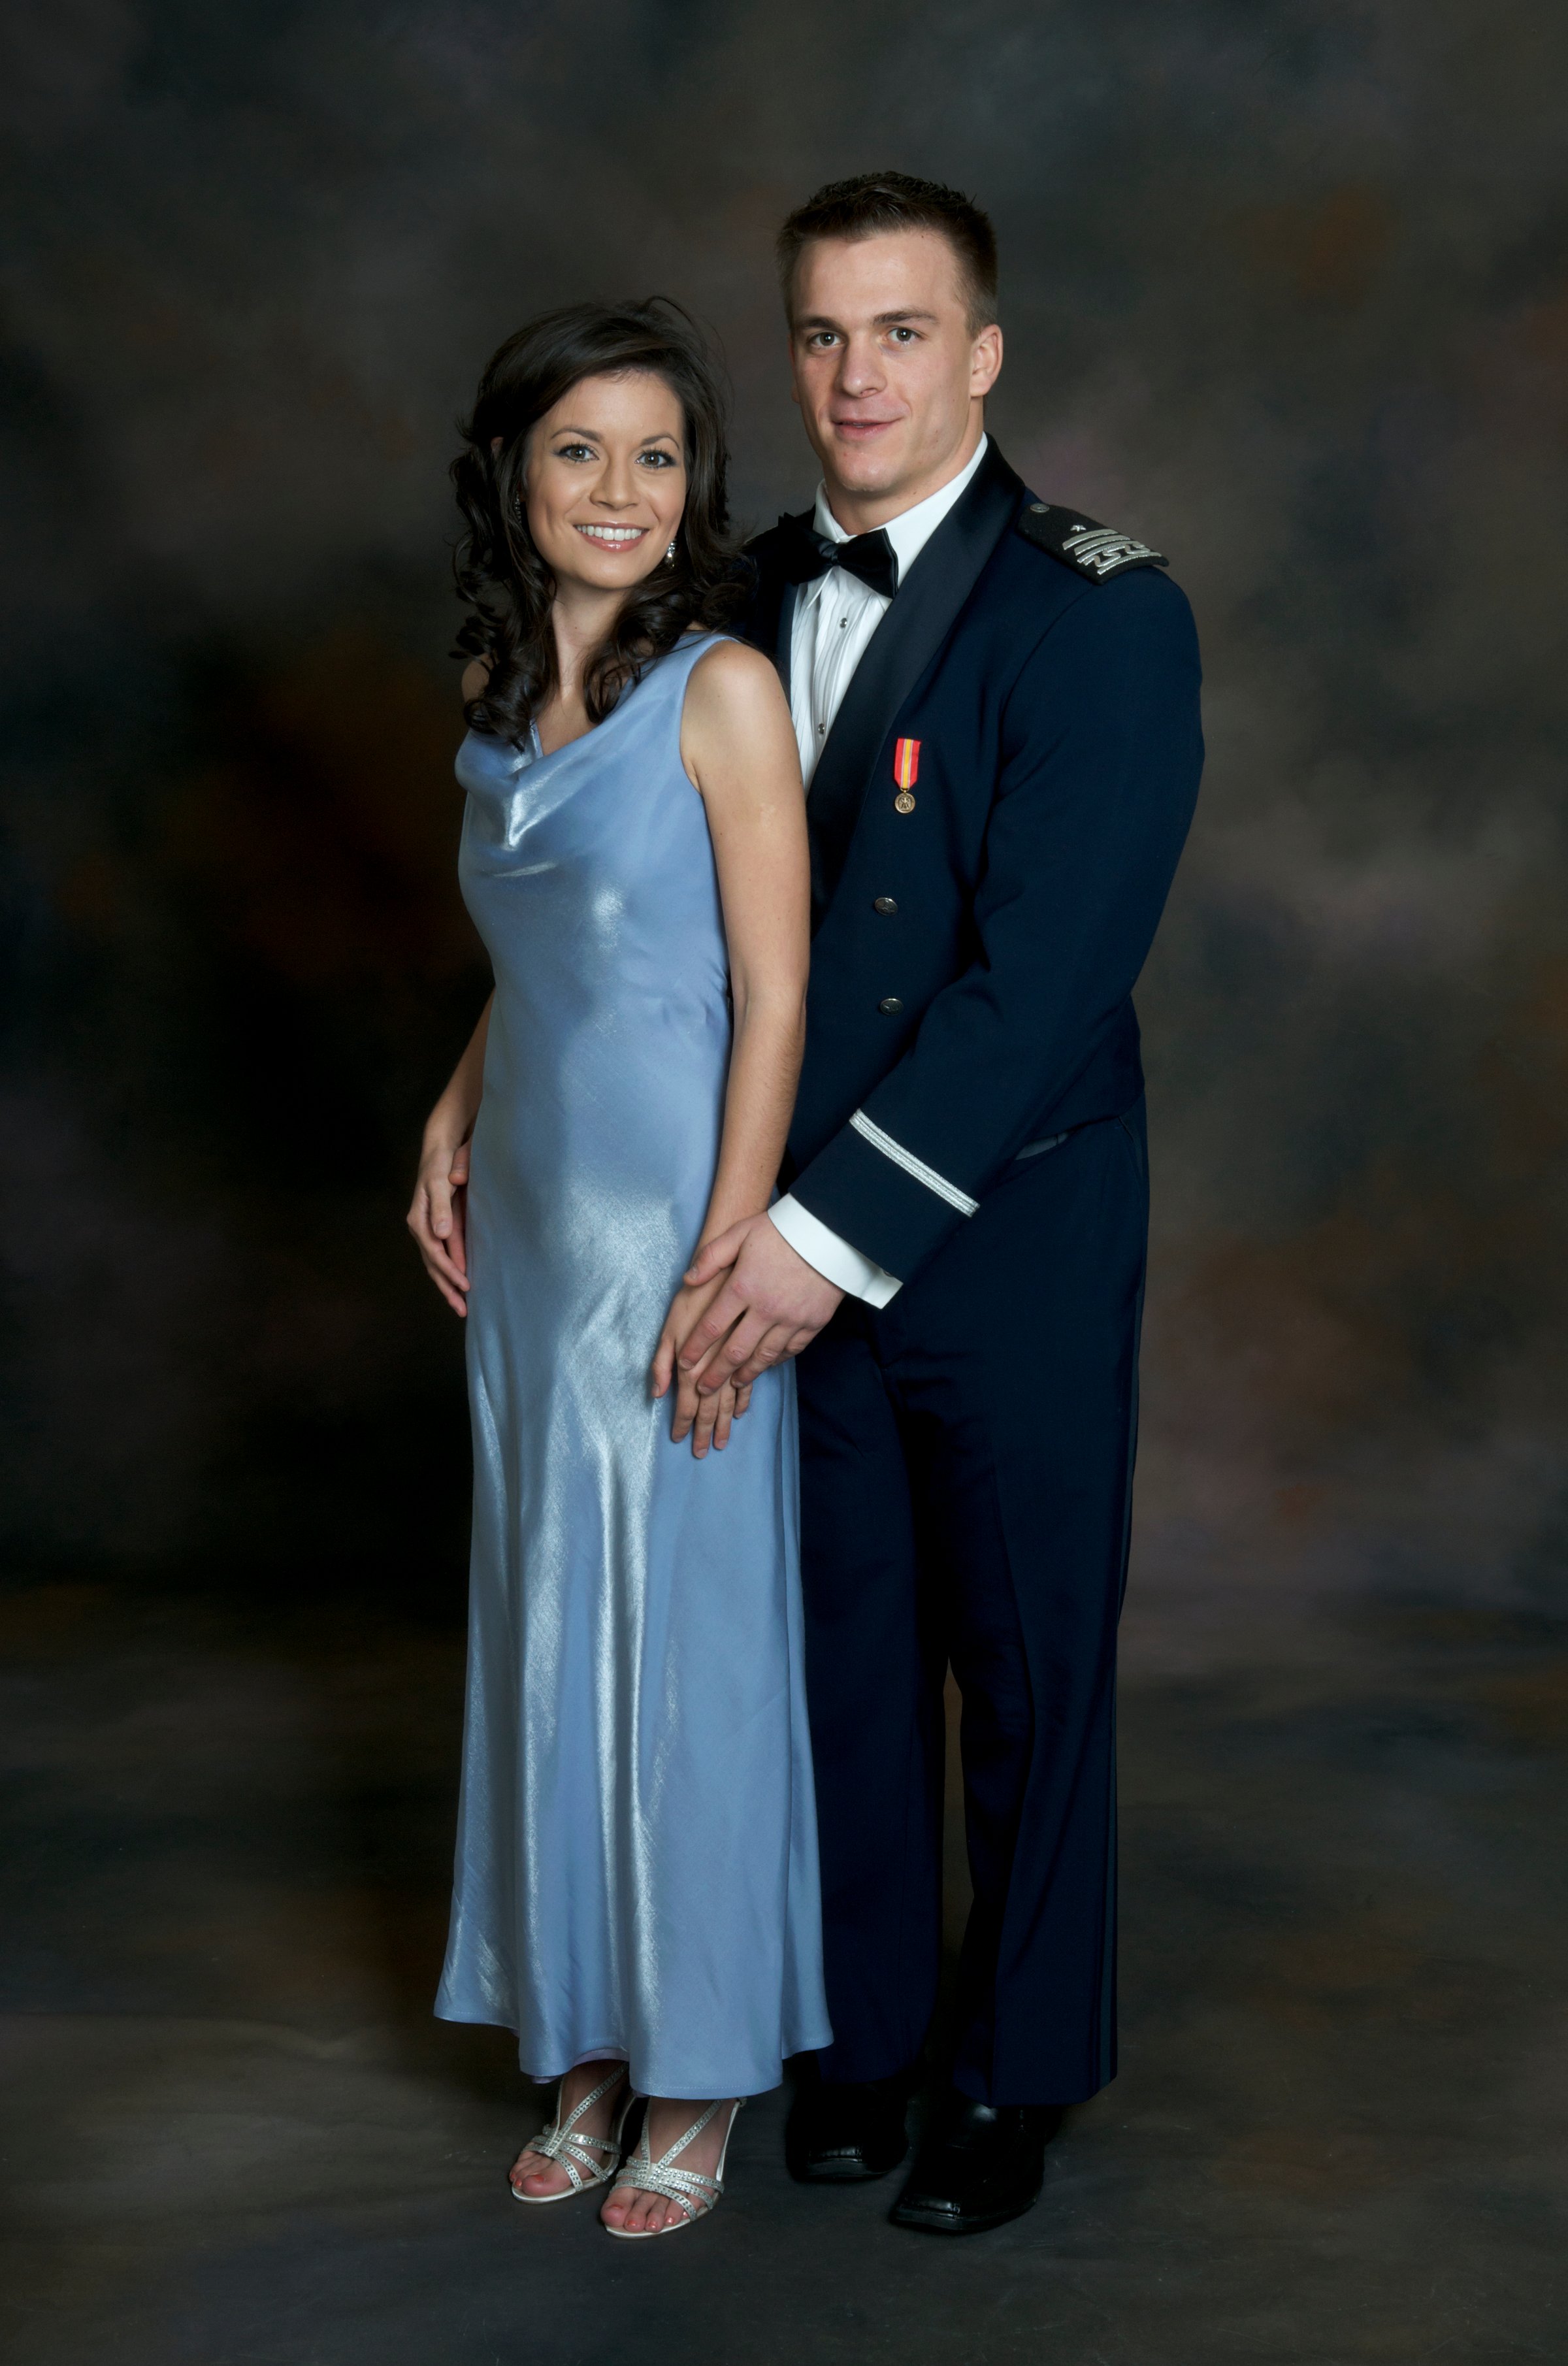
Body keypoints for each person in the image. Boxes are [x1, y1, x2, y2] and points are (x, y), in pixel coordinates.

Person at [672, 173, 1205, 2235]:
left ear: (982, 354)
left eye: (901, 331)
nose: (856, 374)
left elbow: (1040, 981)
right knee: (843, 1659)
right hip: (783, 1222)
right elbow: (658, 921)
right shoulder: (730, 595)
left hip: (1009, 1234)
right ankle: (867, 2035)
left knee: (1030, 1661)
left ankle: (1017, 2070)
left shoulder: (1100, 612)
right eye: (820, 333)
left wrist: (813, 1245)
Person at [406, 299, 830, 2239]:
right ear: (514, 471)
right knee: (554, 1630)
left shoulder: (725, 688)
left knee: (689, 1650)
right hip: (533, 1223)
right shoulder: (502, 692)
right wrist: (452, 1108)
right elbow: (543, 960)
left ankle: (701, 2067)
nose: (622, 490)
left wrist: (729, 1252)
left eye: (657, 454)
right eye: (581, 449)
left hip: (673, 1225)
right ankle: (583, 2031)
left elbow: (773, 994)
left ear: (695, 487)